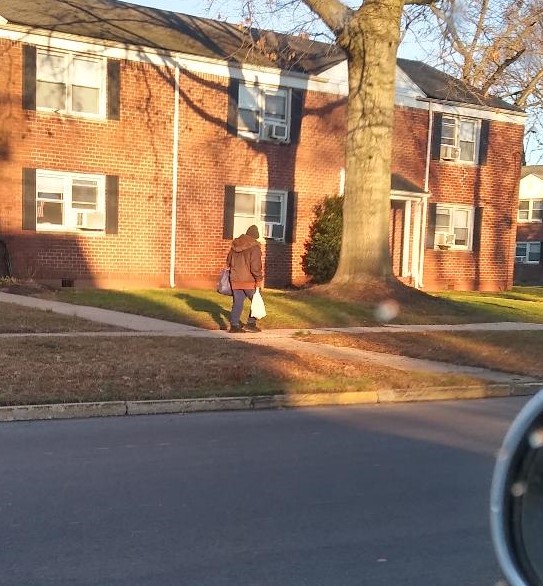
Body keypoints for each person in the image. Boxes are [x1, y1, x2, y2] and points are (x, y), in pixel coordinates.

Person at [226, 224, 263, 333]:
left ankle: (234, 326)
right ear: (256, 236)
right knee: (256, 302)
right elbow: (255, 267)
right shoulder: (255, 247)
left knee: (237, 302)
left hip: (235, 279)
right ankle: (251, 324)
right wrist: (259, 279)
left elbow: (228, 262)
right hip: (249, 280)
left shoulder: (234, 246)